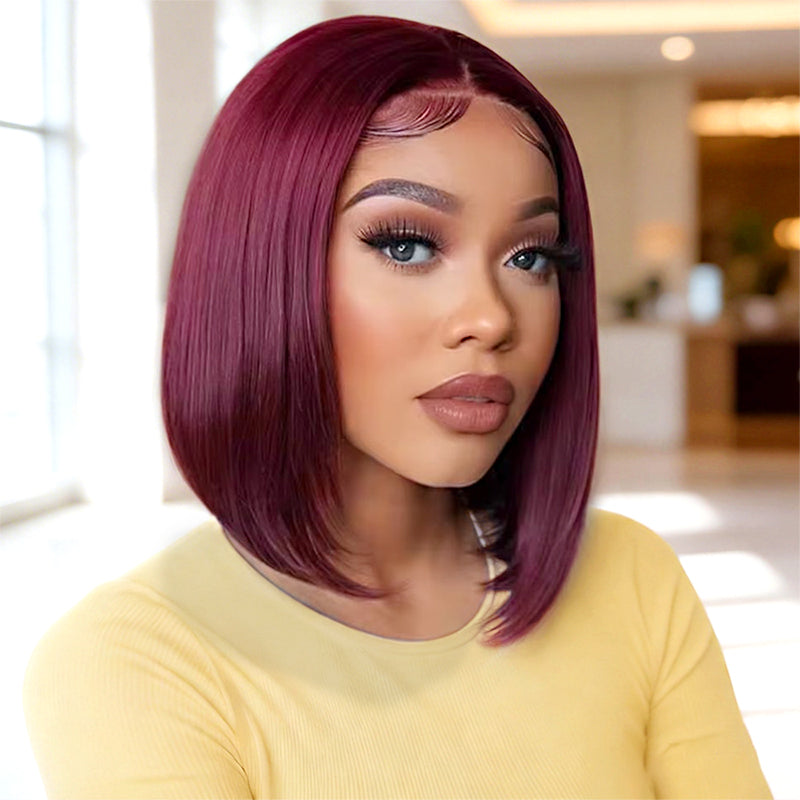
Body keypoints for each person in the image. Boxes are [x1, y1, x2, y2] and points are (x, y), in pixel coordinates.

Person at [23, 15, 771, 799]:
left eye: (530, 256)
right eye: (407, 244)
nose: (491, 316)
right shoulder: (131, 660)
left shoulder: (628, 577)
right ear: (259, 267)